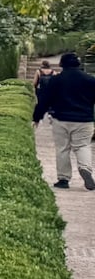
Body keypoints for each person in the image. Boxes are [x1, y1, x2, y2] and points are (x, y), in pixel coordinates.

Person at [33, 52, 95, 188]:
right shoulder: (90, 80)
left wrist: (37, 117)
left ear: (61, 64)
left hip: (61, 119)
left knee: (62, 149)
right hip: (84, 120)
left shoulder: (56, 80)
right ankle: (85, 168)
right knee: (83, 146)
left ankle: (63, 179)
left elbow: (45, 100)